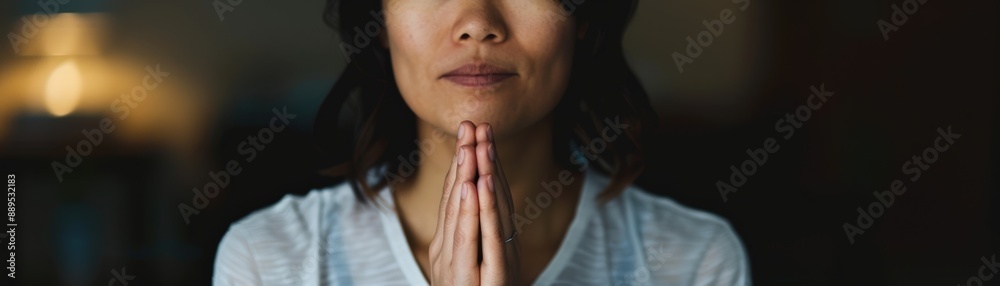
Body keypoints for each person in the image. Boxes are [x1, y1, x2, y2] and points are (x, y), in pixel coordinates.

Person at [214, 0, 750, 285]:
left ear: (581, 18)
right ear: (379, 19)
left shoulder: (693, 262)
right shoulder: (271, 262)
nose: (477, 24)